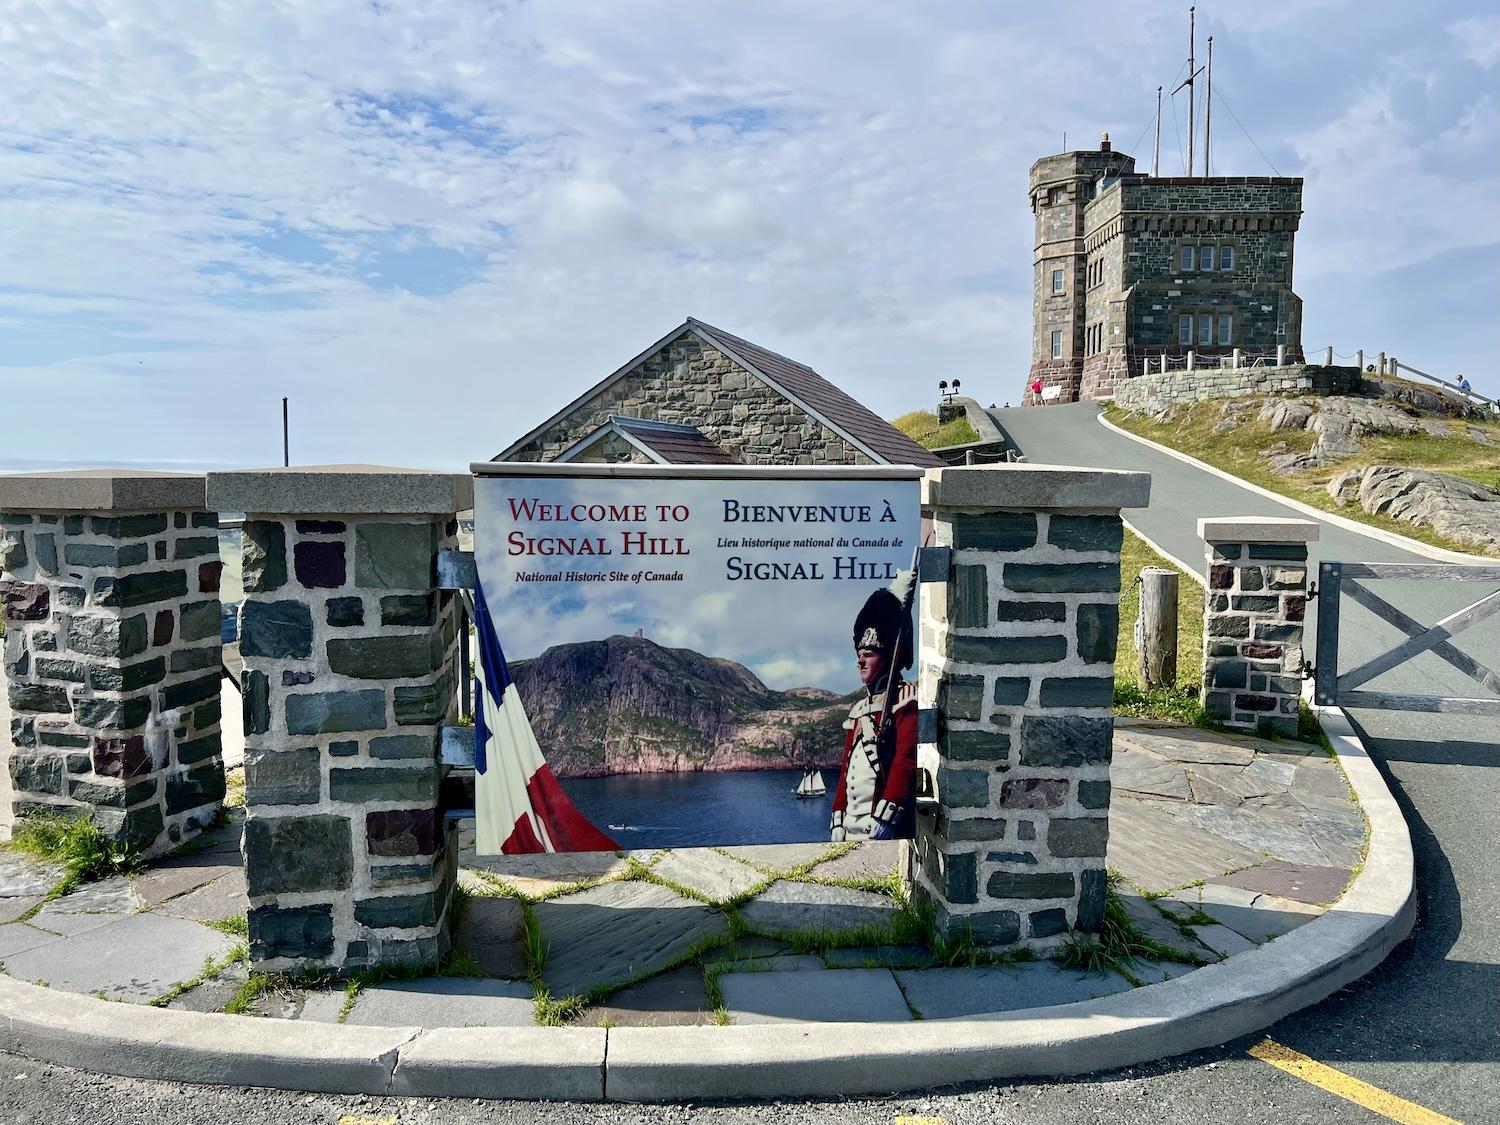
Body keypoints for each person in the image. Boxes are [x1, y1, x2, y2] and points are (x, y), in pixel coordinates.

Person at [830, 586, 918, 842]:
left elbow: (906, 760)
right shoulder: (858, 711)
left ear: (889, 657)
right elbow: (846, 771)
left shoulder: (906, 699)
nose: (860, 661)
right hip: (850, 828)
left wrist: (887, 815)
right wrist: (838, 816)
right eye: (859, 655)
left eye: (868, 654)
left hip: (880, 826)